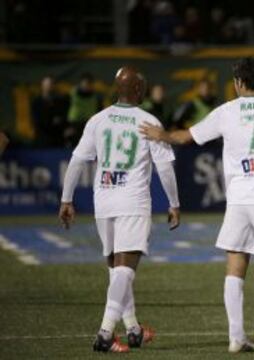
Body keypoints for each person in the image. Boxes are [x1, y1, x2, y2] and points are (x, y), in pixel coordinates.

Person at [140, 57, 254, 353]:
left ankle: (236, 337)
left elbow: (185, 137)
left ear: (239, 82)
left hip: (238, 199)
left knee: (235, 264)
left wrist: (159, 135)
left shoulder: (226, 111)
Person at [59, 66, 180, 353]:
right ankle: (104, 333)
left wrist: (66, 199)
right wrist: (174, 202)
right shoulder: (148, 121)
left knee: (116, 269)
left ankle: (134, 329)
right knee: (125, 269)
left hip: (104, 202)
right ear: (138, 90)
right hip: (132, 201)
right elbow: (164, 167)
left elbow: (77, 161)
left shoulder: (98, 120)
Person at [66, 73, 103, 147]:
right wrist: (67, 126)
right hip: (74, 125)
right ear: (80, 84)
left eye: (89, 84)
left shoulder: (96, 97)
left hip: (89, 125)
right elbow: (64, 109)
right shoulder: (72, 94)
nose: (87, 86)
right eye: (85, 84)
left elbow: (100, 112)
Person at [31, 76, 69, 147]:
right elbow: (38, 121)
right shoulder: (36, 102)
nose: (49, 87)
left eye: (51, 85)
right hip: (42, 141)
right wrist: (51, 121)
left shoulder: (59, 102)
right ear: (42, 86)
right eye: (46, 85)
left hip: (58, 141)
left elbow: (63, 118)